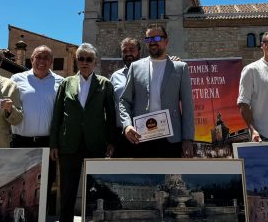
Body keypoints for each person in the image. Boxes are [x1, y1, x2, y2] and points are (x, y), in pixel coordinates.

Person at [50, 43, 116, 222]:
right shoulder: (66, 83)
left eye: (89, 59)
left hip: (95, 144)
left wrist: (111, 142)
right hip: (69, 144)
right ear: (76, 61)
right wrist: (54, 144)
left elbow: (111, 116)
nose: (84, 62)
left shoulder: (104, 84)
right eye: (81, 58)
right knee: (67, 190)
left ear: (95, 62)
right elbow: (57, 115)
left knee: (93, 190)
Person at [119, 24, 195, 158]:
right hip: (141, 136)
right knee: (144, 178)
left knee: (170, 178)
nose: (153, 42)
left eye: (157, 38)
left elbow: (188, 106)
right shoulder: (135, 67)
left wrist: (187, 138)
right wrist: (127, 125)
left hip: (171, 139)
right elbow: (124, 101)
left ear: (166, 41)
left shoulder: (180, 68)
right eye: (149, 39)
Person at [10, 45, 64, 148]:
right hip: (21, 142)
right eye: (38, 57)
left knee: (48, 165)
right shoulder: (16, 79)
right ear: (31, 59)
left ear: (51, 62)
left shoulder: (61, 82)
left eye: (46, 58)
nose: (42, 61)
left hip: (48, 143)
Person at [110, 37, 140, 157]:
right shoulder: (115, 77)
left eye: (131, 50)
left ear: (139, 51)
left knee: (147, 174)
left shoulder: (150, 72)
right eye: (124, 51)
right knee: (122, 174)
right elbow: (111, 109)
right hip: (121, 134)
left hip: (145, 132)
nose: (128, 53)